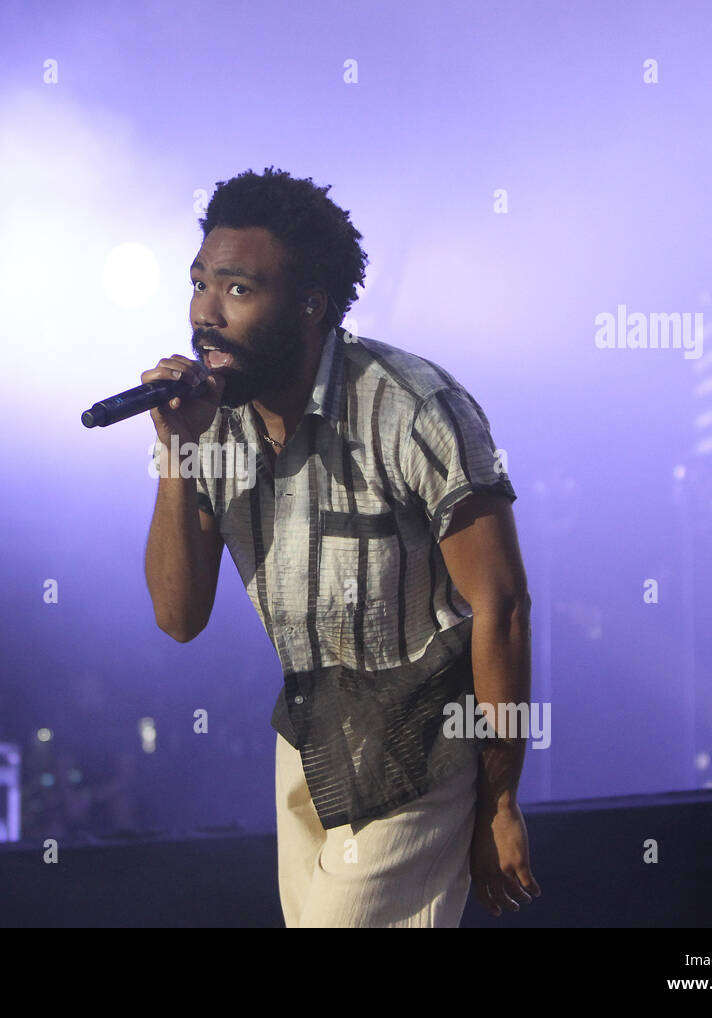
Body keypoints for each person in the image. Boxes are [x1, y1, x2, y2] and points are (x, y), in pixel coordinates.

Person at [142, 167, 541, 927]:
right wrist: (176, 455)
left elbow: (503, 605)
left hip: (421, 743)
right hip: (309, 738)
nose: (205, 312)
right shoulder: (208, 424)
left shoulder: (413, 406)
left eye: (237, 289)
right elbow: (178, 616)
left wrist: (500, 801)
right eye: (199, 283)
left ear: (309, 306)